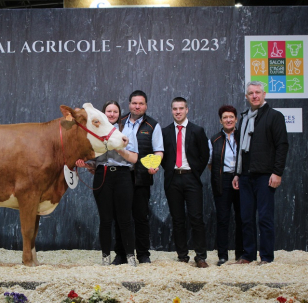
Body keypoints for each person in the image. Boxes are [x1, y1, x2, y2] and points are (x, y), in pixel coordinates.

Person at [76, 101, 139, 266]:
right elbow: (94, 162)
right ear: (104, 114)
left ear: (119, 113)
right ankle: (105, 257)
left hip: (123, 176)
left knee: (125, 219)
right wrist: (87, 165)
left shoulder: (127, 131)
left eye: (115, 111)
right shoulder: (95, 133)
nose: (112, 114)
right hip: (102, 175)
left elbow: (133, 158)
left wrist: (117, 145)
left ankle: (130, 257)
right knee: (105, 220)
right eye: (109, 112)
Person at [232, 81, 289, 265]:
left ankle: (266, 257)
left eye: (258, 92)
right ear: (246, 97)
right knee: (246, 218)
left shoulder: (275, 116)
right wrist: (237, 173)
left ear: (264, 95)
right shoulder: (245, 118)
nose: (254, 95)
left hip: (265, 175)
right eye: (251, 93)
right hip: (246, 176)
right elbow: (240, 149)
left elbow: (282, 146)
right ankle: (248, 255)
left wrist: (277, 172)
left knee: (264, 218)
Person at [112, 90, 164, 265]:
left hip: (141, 177)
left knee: (141, 217)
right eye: (134, 103)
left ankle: (143, 254)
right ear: (129, 104)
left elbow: (158, 150)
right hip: (120, 177)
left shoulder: (153, 125)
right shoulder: (118, 122)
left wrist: (155, 164)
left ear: (146, 106)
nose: (137, 106)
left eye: (141, 103)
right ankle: (121, 254)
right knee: (120, 216)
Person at [161, 97, 210, 268]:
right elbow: (162, 157)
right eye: (175, 108)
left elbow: (204, 155)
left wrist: (195, 172)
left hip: (191, 178)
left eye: (181, 108)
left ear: (187, 110)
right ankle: (182, 255)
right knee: (177, 219)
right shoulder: (165, 131)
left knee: (196, 218)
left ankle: (201, 256)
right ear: (171, 110)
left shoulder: (197, 130)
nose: (178, 111)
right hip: (173, 178)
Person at [208, 105, 243, 266]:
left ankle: (241, 254)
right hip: (222, 181)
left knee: (242, 218)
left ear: (236, 119)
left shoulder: (242, 137)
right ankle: (223, 255)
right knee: (222, 219)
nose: (228, 120)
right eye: (225, 117)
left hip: (242, 180)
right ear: (220, 121)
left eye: (231, 117)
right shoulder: (214, 139)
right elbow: (210, 163)